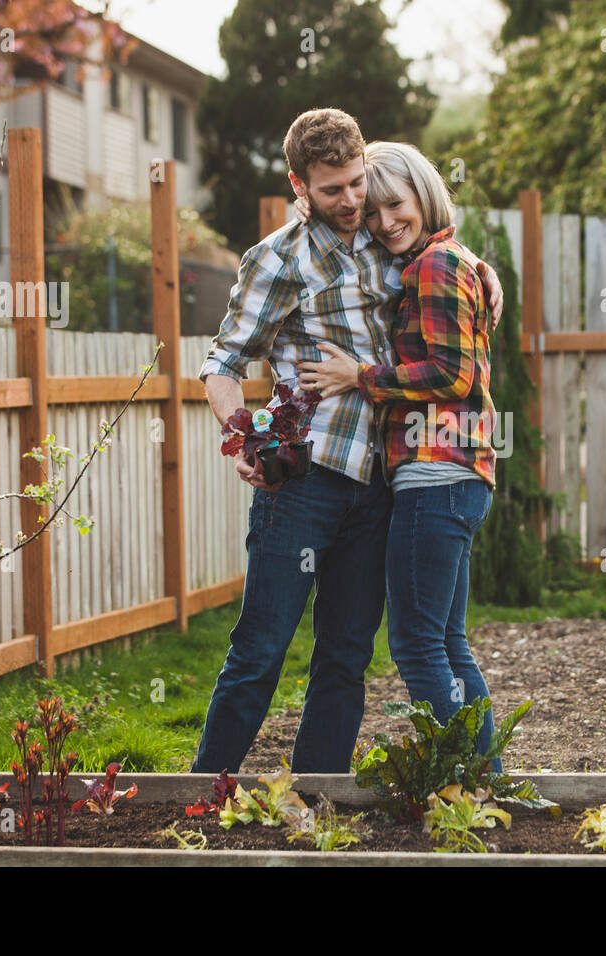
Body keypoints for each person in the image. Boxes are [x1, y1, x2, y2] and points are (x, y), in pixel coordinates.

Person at [192, 110, 503, 775]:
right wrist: (240, 431)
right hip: (305, 479)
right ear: (299, 185)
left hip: (382, 484)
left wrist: (482, 270)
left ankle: (317, 794)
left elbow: (436, 246)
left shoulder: (380, 231)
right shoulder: (276, 260)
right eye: (331, 190)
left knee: (345, 655)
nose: (351, 202)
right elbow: (223, 363)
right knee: (262, 646)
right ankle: (200, 794)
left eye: (357, 184)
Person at [296, 141, 503, 766]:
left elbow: (451, 375)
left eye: (397, 204)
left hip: (435, 472)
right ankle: (485, 779)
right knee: (446, 642)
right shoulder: (442, 260)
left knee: (417, 647)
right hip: (458, 476)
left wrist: (359, 375)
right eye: (374, 208)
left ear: (423, 193)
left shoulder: (436, 266)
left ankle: (463, 779)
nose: (386, 221)